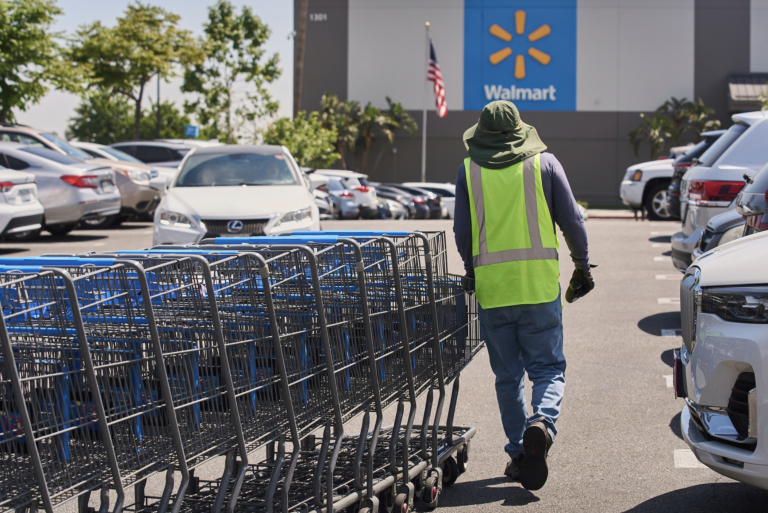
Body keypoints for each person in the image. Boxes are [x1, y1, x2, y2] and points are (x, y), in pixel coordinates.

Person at [453, 100, 594, 491]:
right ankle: (542, 424)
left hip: (493, 292)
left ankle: (519, 452)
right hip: (538, 288)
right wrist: (582, 265)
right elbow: (572, 220)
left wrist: (471, 271)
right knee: (548, 369)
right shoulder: (544, 164)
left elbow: (463, 234)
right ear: (520, 131)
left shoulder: (468, 170)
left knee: (507, 377)